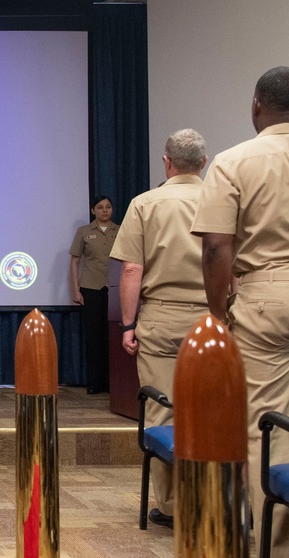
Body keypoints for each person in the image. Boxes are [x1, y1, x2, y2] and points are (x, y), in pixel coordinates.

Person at [192, 66, 289, 558]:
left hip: (266, 295)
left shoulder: (236, 160)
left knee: (271, 424)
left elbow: (217, 247)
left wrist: (219, 314)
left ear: (257, 105)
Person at [110, 129, 208, 529]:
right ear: (204, 162)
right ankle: (216, 499)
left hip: (163, 317)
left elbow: (132, 268)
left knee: (163, 410)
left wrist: (129, 325)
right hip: (216, 319)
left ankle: (171, 506)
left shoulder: (145, 203)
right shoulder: (222, 197)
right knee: (213, 409)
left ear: (166, 163)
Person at [69, 196, 119, 394]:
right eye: (100, 207)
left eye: (108, 207)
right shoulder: (84, 232)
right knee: (94, 336)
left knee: (113, 336)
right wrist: (75, 289)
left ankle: (113, 382)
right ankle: (95, 382)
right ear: (93, 211)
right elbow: (74, 262)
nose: (104, 211)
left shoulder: (121, 230)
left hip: (115, 289)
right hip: (91, 288)